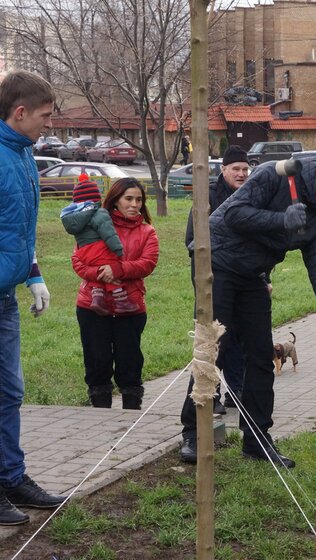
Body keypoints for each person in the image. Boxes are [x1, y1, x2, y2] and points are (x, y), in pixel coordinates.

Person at [179, 155, 316, 465]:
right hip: (217, 262)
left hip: (253, 274)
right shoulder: (273, 175)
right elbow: (235, 214)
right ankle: (194, 432)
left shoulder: (315, 219)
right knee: (213, 347)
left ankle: (257, 441)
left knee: (261, 356)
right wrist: (281, 220)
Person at [0, 70, 68, 526]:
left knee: (10, 392)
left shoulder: (23, 154)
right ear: (20, 112)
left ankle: (11, 477)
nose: (49, 124)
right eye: (45, 116)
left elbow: (18, 227)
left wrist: (34, 274)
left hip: (5, 295)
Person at [72, 178, 159, 410]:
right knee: (97, 361)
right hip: (91, 305)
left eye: (139, 200)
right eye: (128, 199)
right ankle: (101, 413)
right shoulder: (93, 222)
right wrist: (101, 273)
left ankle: (131, 410)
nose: (134, 204)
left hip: (130, 305)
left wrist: (118, 269)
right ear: (115, 200)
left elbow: (148, 263)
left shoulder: (147, 232)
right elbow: (78, 260)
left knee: (129, 361)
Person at [184, 145, 252, 413]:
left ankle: (236, 391)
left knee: (238, 336)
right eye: (236, 169)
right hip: (214, 277)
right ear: (223, 169)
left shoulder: (251, 195)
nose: (241, 174)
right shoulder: (208, 197)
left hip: (245, 277)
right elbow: (192, 241)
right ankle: (209, 394)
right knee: (214, 338)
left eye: (245, 169)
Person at [61, 173, 139, 316]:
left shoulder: (74, 217)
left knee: (97, 267)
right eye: (128, 199)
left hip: (83, 252)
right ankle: (121, 300)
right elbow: (108, 233)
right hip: (98, 249)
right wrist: (118, 249)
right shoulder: (99, 213)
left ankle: (97, 298)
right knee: (109, 265)